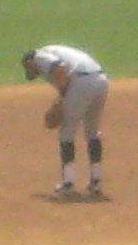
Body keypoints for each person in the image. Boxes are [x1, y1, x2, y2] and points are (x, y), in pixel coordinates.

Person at [21, 45, 109, 197]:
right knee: (92, 131)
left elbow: (61, 70)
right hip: (101, 81)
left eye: (30, 69)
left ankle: (68, 182)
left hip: (82, 83)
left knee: (66, 133)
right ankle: (96, 180)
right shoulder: (57, 50)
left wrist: (60, 100)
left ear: (30, 62)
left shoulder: (39, 56)